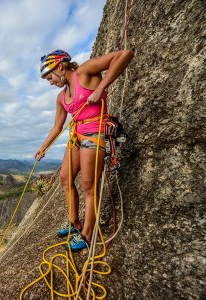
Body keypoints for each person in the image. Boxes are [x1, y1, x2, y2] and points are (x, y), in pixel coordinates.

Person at [34, 49, 134, 252]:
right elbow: (57, 125)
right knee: (65, 178)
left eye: (50, 76)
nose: (50, 82)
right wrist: (43, 147)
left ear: (60, 66)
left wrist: (100, 89)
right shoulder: (62, 97)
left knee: (89, 185)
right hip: (77, 137)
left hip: (95, 133)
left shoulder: (84, 72)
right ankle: (74, 223)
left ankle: (87, 234)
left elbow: (125, 55)